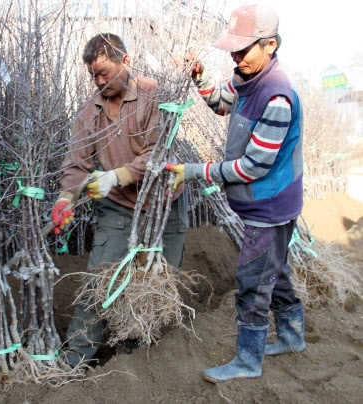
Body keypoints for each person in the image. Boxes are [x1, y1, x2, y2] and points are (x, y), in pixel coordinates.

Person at [166, 4, 306, 383]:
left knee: (251, 282)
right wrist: (199, 76)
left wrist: (194, 171)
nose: (235, 57)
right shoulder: (248, 79)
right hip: (266, 202)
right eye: (233, 49)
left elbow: (252, 167)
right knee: (273, 272)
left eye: (243, 50)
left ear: (271, 45)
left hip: (270, 205)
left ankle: (247, 360)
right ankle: (293, 338)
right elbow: (220, 103)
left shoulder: (276, 97)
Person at [52, 33, 189, 368]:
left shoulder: (152, 96)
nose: (99, 82)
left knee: (161, 279)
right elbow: (76, 163)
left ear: (125, 62)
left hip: (164, 203)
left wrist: (115, 175)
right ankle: (75, 357)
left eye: (104, 72)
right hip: (118, 205)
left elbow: (158, 153)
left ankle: (147, 352)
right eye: (93, 75)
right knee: (100, 277)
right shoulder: (89, 112)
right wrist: (65, 199)